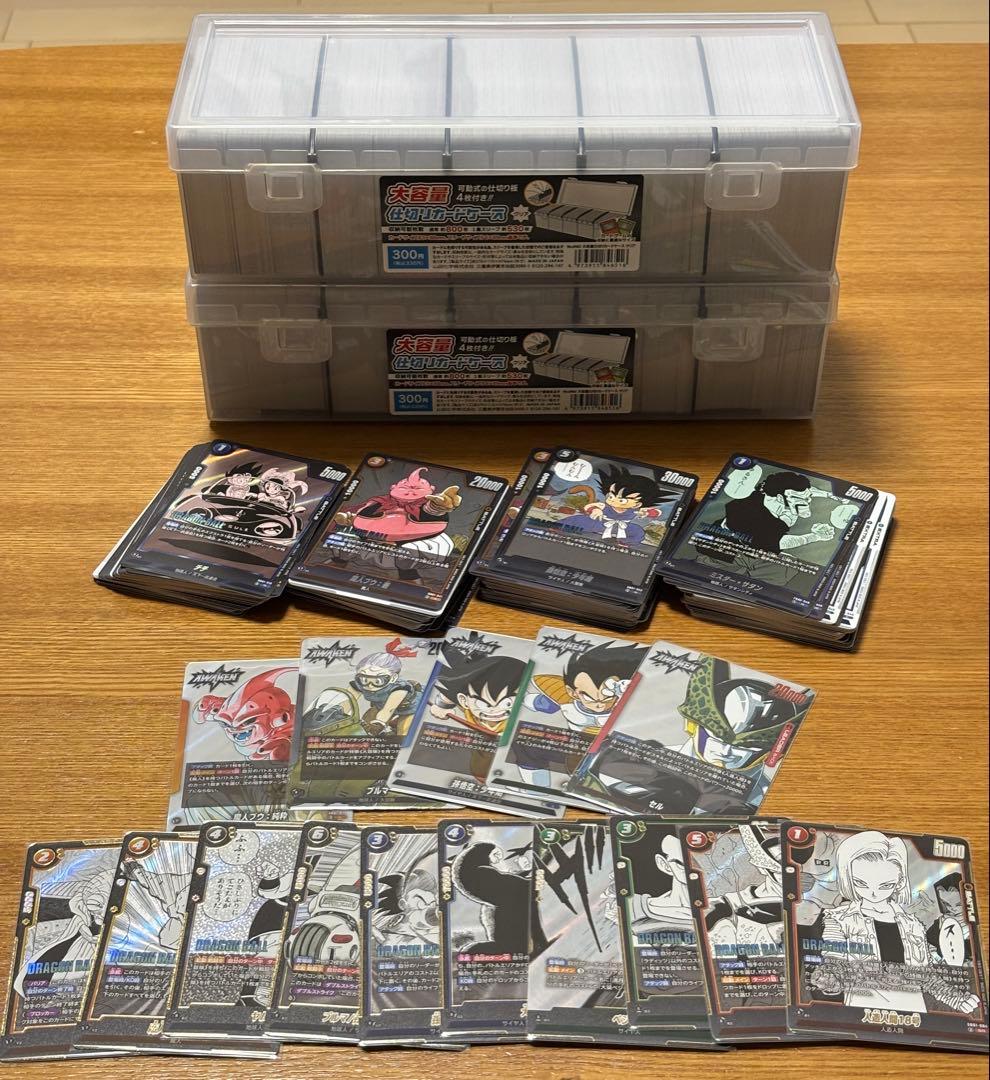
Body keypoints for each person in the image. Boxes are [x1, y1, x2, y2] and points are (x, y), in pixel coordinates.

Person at [814, 831, 980, 1014]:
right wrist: (829, 978)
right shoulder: (839, 919)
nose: (874, 893)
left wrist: (957, 999)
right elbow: (834, 961)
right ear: (848, 877)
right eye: (861, 883)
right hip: (862, 1009)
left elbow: (926, 976)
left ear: (899, 881)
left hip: (912, 1012)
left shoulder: (913, 925)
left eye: (885, 885)